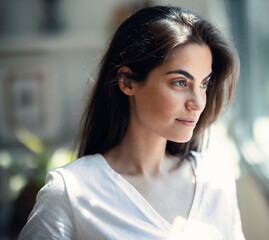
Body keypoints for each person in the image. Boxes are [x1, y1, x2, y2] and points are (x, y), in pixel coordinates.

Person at [19, 5, 245, 240]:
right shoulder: (70, 191)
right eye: (180, 82)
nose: (198, 102)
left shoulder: (215, 180)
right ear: (127, 82)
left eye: (204, 84)